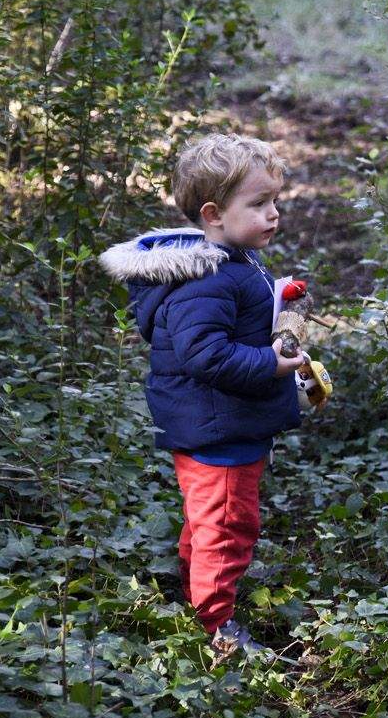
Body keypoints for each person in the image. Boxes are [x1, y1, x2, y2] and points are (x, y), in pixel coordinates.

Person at [99, 133, 308, 659]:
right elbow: (206, 355)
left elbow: (229, 319)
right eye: (259, 204)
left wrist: (276, 296)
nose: (274, 214)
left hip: (224, 423)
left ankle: (195, 585)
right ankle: (216, 626)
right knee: (226, 523)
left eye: (274, 201)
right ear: (214, 213)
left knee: (208, 518)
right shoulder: (208, 280)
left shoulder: (229, 259)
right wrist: (271, 363)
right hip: (219, 429)